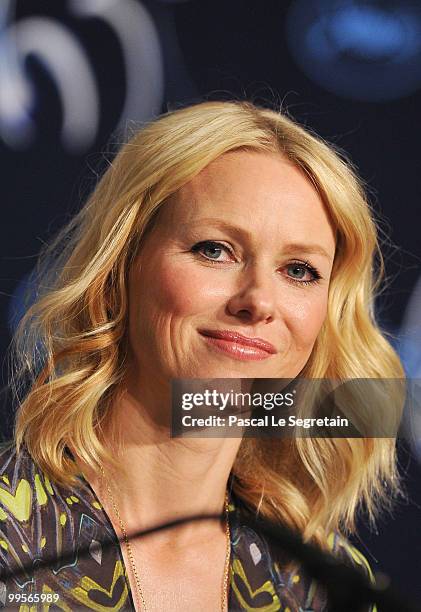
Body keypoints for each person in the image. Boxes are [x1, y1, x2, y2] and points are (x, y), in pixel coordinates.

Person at [0, 101, 404, 611]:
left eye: (299, 270)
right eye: (215, 250)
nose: (258, 301)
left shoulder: (322, 587)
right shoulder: (10, 539)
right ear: (121, 266)